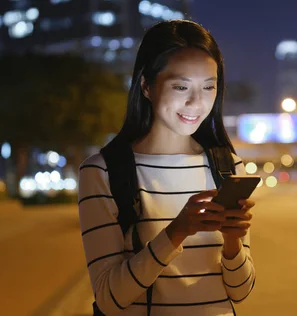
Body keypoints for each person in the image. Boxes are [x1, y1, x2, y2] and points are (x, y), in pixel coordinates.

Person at [77, 20, 256, 315]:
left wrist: (233, 242)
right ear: (147, 85)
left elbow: (241, 291)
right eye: (181, 86)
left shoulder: (227, 166)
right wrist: (176, 232)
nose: (196, 102)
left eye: (209, 87)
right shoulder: (103, 172)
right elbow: (109, 298)